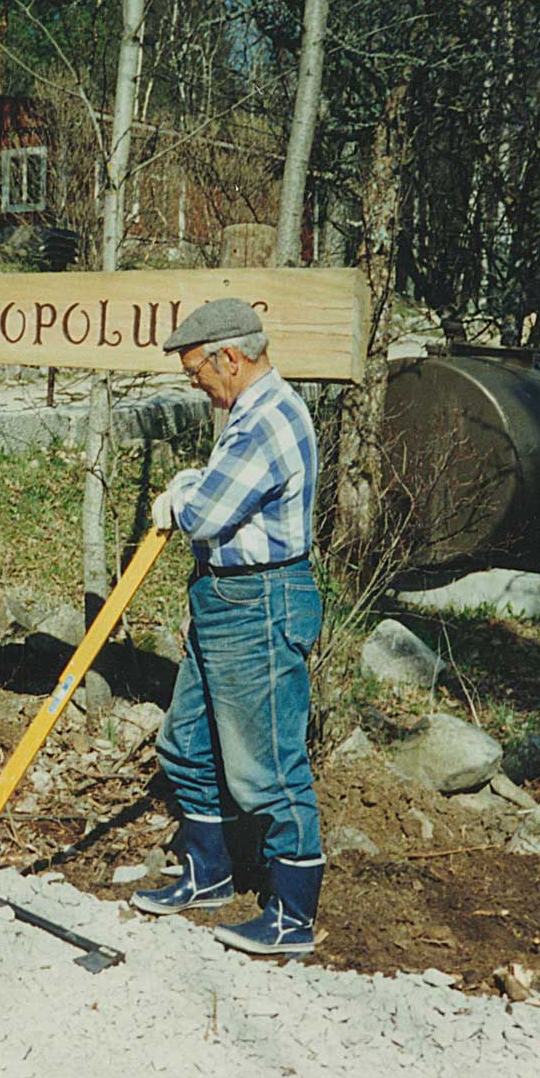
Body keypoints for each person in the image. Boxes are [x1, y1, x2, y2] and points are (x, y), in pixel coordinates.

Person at [132, 297, 325, 956]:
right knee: (184, 742)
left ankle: (291, 917)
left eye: (197, 371)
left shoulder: (268, 420)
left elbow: (208, 511)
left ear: (230, 358)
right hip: (224, 596)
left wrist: (180, 494)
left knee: (267, 766)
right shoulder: (245, 416)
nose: (196, 383)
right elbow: (216, 498)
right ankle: (208, 873)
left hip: (261, 603)